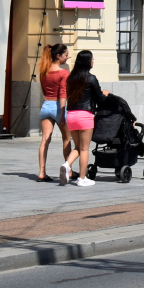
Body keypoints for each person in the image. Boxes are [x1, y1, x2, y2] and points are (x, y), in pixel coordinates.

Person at [61, 50, 105, 187]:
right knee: (85, 148)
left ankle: (67, 164)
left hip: (71, 115)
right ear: (87, 61)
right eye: (92, 59)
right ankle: (82, 178)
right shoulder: (91, 78)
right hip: (85, 115)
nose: (93, 61)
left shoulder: (71, 79)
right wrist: (106, 95)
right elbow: (100, 99)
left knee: (78, 147)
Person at [36, 43, 71, 182]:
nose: (68, 57)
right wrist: (62, 113)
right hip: (58, 107)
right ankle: (69, 170)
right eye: (66, 55)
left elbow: (44, 91)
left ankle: (41, 172)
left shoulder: (43, 71)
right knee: (67, 138)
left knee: (45, 140)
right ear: (58, 56)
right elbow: (63, 94)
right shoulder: (63, 73)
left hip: (46, 105)